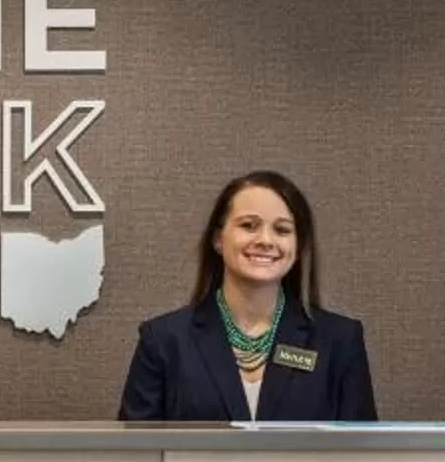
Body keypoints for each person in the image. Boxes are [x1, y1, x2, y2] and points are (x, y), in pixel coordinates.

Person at [117, 170, 377, 422]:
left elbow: (360, 458)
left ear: (298, 247)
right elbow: (134, 458)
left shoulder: (340, 340)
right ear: (218, 238)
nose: (266, 240)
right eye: (248, 226)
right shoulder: (163, 340)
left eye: (282, 230)